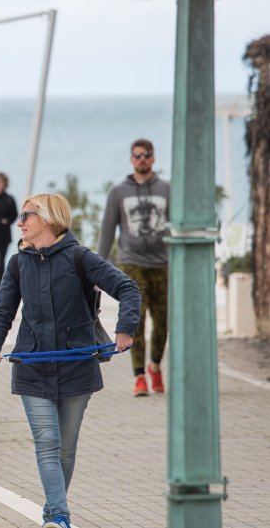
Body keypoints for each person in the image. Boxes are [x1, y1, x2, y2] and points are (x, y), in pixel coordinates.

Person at [0, 193, 139, 528]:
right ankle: (61, 516)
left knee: (65, 449)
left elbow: (127, 288)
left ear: (49, 219)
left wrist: (125, 329)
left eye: (27, 215)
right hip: (32, 366)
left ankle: (52, 514)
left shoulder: (80, 257)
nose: (19, 222)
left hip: (77, 365)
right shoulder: (17, 263)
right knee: (47, 443)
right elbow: (2, 312)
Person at [97, 138, 170, 397]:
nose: (142, 159)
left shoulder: (166, 188)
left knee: (162, 319)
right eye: (137, 155)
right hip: (131, 261)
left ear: (153, 158)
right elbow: (107, 231)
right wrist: (98, 268)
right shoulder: (118, 192)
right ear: (131, 159)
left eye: (146, 155)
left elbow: (176, 225)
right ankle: (139, 375)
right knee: (136, 317)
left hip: (163, 262)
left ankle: (155, 365)